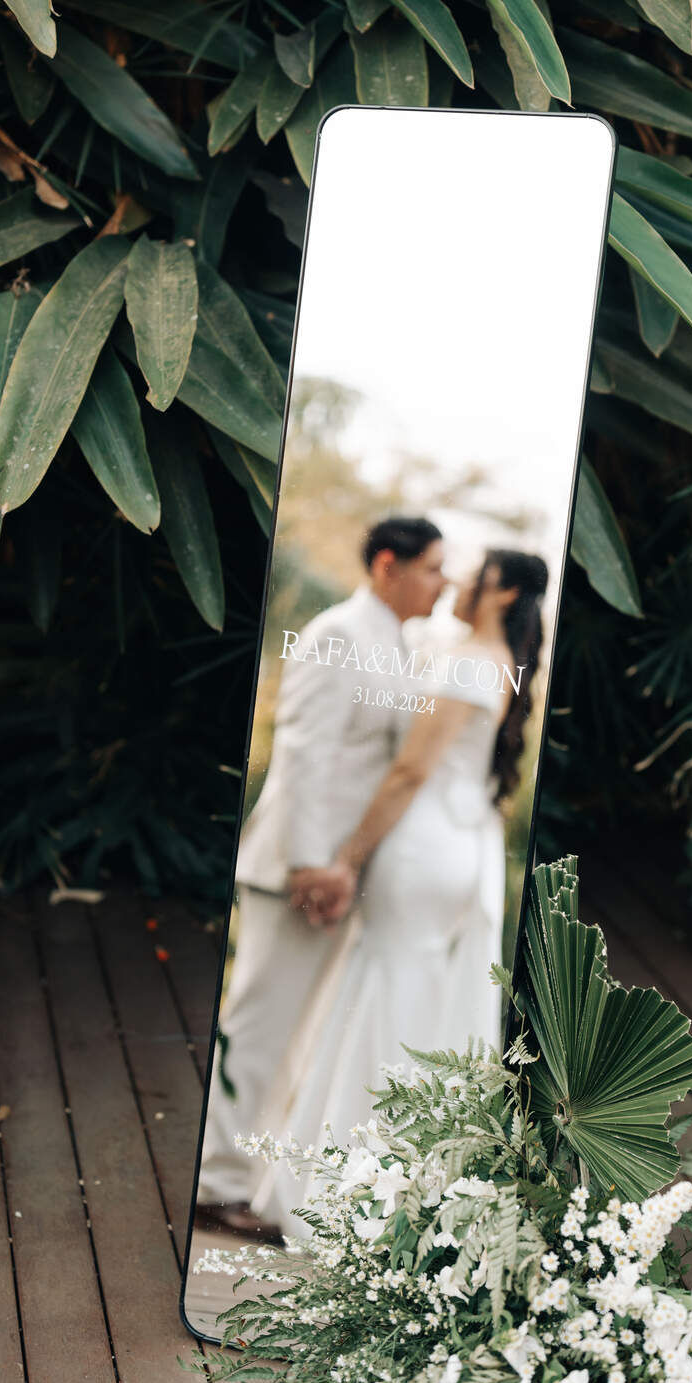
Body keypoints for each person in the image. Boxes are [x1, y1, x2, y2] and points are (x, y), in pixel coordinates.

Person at [250, 548, 549, 1239]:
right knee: (417, 1013)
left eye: (475, 574)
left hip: (421, 848)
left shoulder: (471, 659)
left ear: (502, 593)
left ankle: (339, 1203)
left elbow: (409, 771)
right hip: (460, 846)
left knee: (382, 1006)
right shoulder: (496, 658)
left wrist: (346, 859)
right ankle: (385, 1199)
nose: (462, 580)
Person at [195, 516, 446, 1235]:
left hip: (340, 874)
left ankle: (250, 1177)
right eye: (432, 568)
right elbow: (303, 749)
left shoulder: (397, 643)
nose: (442, 583)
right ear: (387, 565)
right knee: (259, 1026)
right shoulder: (339, 633)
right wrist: (310, 863)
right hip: (297, 872)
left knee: (296, 1032)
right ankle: (216, 1183)